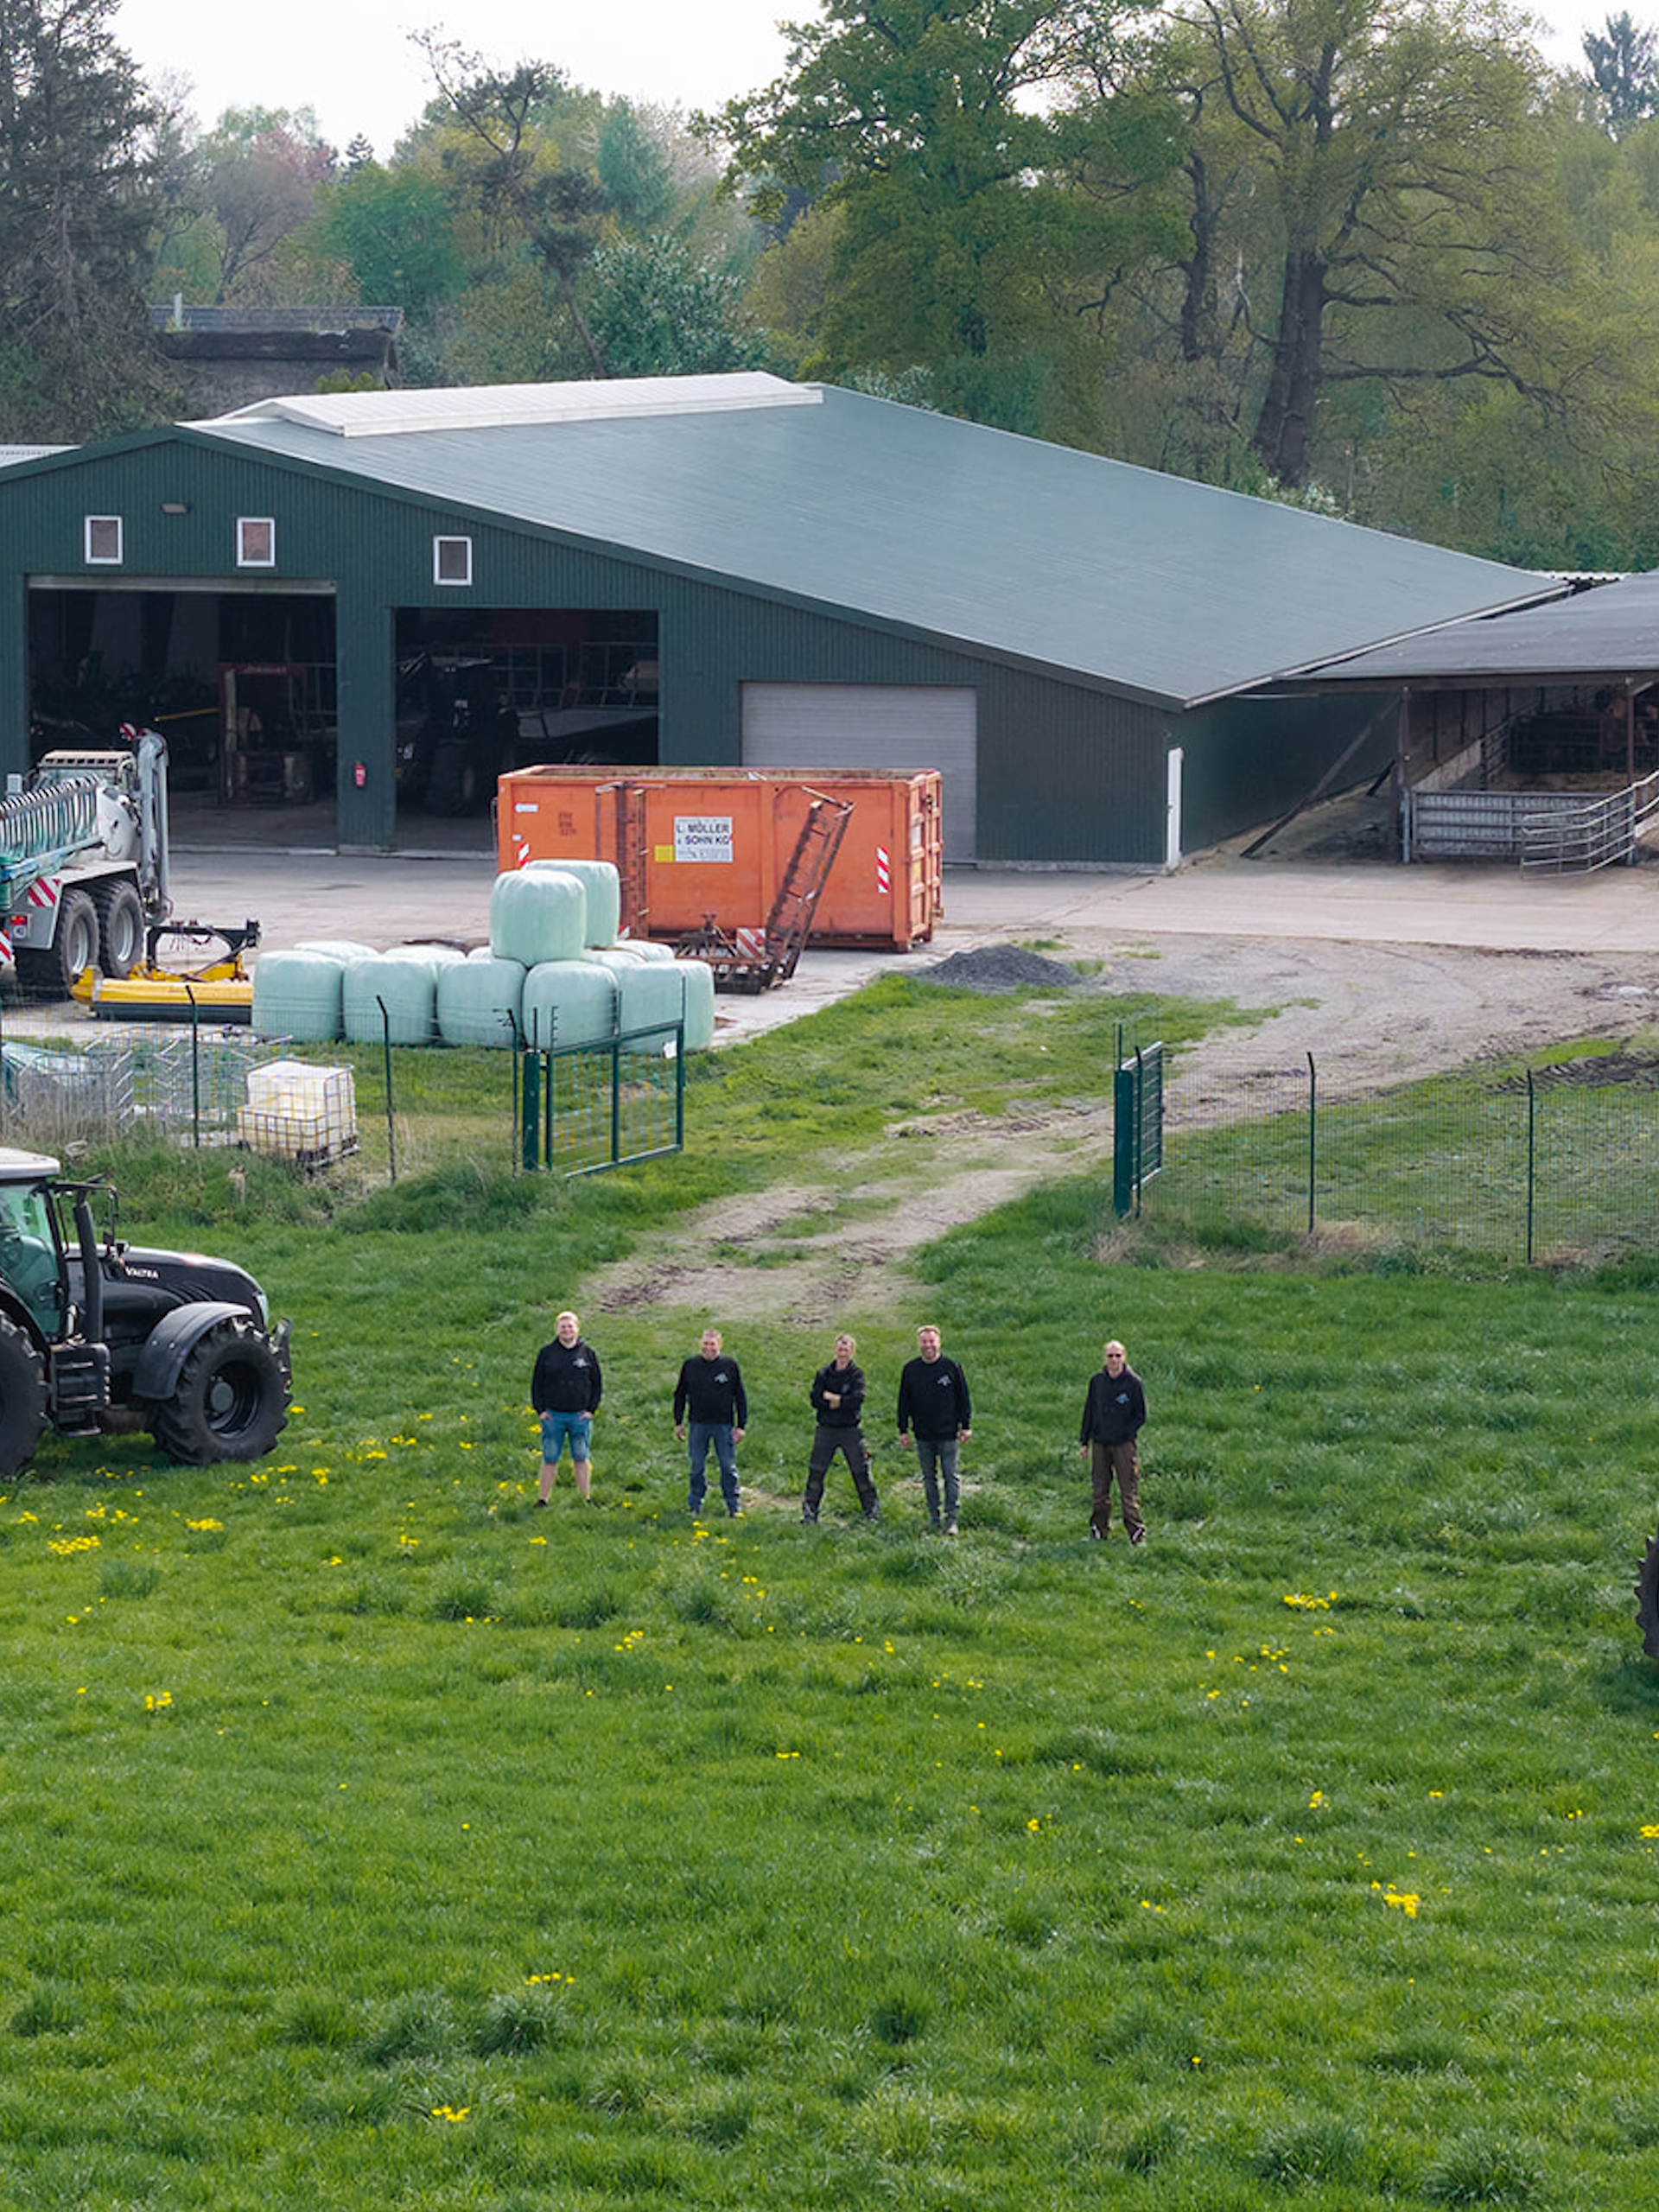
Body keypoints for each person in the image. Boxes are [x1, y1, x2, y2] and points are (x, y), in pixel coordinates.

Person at [896, 1324, 972, 1534]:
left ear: (939, 1343)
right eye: (924, 1341)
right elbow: (904, 1402)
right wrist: (903, 1430)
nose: (928, 1345)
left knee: (951, 1476)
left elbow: (963, 1398)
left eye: (931, 1341)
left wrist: (965, 1426)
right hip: (923, 1434)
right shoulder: (910, 1370)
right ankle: (933, 1517)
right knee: (928, 1478)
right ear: (919, 1344)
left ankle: (952, 1519)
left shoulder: (951, 1367)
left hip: (948, 1434)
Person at [803, 1333, 879, 1524]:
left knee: (860, 1472)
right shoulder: (824, 1374)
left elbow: (857, 1399)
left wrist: (836, 1400)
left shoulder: (856, 1375)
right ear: (835, 1349)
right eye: (840, 1347)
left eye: (847, 1348)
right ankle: (809, 1514)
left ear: (852, 1352)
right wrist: (834, 1402)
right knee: (816, 1473)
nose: (843, 1351)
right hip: (826, 1429)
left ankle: (872, 1514)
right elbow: (815, 1399)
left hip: (850, 1430)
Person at [674, 1327, 747, 1517]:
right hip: (698, 1424)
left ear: (719, 1345)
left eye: (712, 1344)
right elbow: (680, 1394)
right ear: (700, 1344)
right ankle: (695, 1504)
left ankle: (733, 1505)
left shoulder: (729, 1366)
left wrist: (741, 1426)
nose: (708, 1348)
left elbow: (740, 1396)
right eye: (705, 1344)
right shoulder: (690, 1365)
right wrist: (678, 1421)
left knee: (727, 1465)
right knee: (696, 1466)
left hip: (723, 1425)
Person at [1078, 1338, 1147, 1543]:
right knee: (1099, 1489)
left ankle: (1136, 1533)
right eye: (1110, 1356)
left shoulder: (1133, 1383)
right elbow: (1089, 1411)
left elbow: (1141, 1415)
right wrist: (1084, 1441)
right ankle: (1099, 1531)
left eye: (1118, 1356)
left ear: (1124, 1357)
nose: (1114, 1360)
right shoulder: (1097, 1382)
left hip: (1124, 1445)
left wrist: (1124, 1434)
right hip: (1100, 1443)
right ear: (1105, 1358)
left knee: (1128, 1490)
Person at [531, 1310, 602, 1503]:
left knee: (581, 1457)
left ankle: (585, 1497)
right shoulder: (547, 1353)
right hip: (553, 1416)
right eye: (563, 1326)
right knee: (550, 1458)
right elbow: (536, 1383)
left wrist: (591, 1410)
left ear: (577, 1329)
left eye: (570, 1326)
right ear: (557, 1330)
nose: (567, 1330)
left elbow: (597, 1384)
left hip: (579, 1416)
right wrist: (541, 1410)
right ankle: (543, 1499)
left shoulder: (587, 1354)